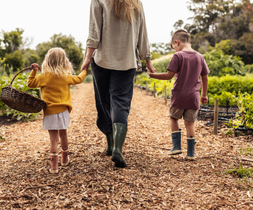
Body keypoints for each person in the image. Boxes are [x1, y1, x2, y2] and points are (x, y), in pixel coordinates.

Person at [81, 0, 156, 168]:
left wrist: (87, 58)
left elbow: (94, 31)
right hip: (127, 61)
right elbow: (143, 33)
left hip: (102, 61)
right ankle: (117, 148)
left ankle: (110, 143)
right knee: (120, 103)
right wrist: (147, 60)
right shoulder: (136, 2)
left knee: (104, 102)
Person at [146, 29, 209, 160]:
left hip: (179, 96)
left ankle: (176, 147)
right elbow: (205, 77)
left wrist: (152, 75)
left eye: (174, 47)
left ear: (177, 42)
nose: (175, 50)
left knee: (174, 118)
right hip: (193, 97)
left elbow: (169, 76)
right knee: (190, 123)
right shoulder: (200, 57)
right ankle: (191, 153)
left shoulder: (178, 56)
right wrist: (203, 94)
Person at [27, 48, 87, 173]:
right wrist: (84, 70)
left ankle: (54, 167)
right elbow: (79, 79)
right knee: (63, 133)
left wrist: (34, 71)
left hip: (49, 112)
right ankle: (65, 159)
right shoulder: (65, 76)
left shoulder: (43, 77)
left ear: (47, 61)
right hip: (63, 111)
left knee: (53, 139)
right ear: (64, 62)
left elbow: (30, 83)